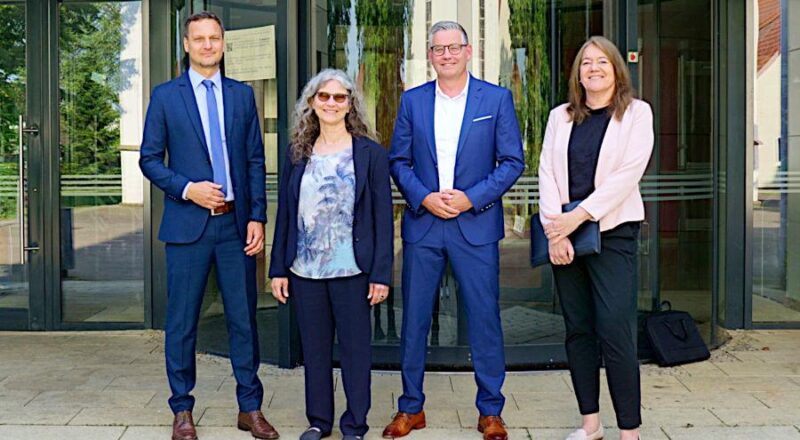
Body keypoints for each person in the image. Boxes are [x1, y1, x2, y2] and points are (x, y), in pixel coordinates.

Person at [139, 11, 278, 440]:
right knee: (182, 323)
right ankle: (182, 410)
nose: (206, 45)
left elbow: (255, 159)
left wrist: (257, 216)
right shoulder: (166, 97)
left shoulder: (240, 96)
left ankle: (249, 407)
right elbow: (149, 160)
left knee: (243, 319)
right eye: (198, 39)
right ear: (186, 44)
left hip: (235, 227)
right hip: (187, 228)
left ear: (222, 44)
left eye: (214, 38)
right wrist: (187, 189)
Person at [382, 20, 524, 440]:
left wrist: (471, 197)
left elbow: (512, 162)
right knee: (415, 321)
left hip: (474, 225)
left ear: (467, 52)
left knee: (484, 319)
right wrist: (424, 197)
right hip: (424, 225)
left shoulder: (495, 99)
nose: (445, 55)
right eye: (438, 48)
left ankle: (490, 410)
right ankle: (411, 408)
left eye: (453, 47)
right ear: (430, 55)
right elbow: (398, 161)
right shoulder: (412, 101)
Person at [537, 36, 654, 440]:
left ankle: (629, 431)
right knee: (578, 329)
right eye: (586, 62)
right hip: (563, 236)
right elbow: (547, 173)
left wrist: (577, 218)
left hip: (613, 233)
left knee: (616, 330)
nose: (593, 68)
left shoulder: (636, 114)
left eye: (602, 61)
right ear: (578, 73)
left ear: (616, 68)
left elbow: (627, 176)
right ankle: (591, 424)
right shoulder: (560, 117)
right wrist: (555, 229)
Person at [269, 68, 394, 440]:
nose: (331, 104)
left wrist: (381, 274)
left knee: (356, 354)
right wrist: (278, 268)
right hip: (305, 271)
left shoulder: (370, 154)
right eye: (324, 96)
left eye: (340, 97)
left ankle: (354, 424)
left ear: (350, 104)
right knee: (315, 352)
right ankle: (319, 422)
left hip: (353, 270)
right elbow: (287, 215)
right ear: (311, 103)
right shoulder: (298, 153)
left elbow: (383, 219)